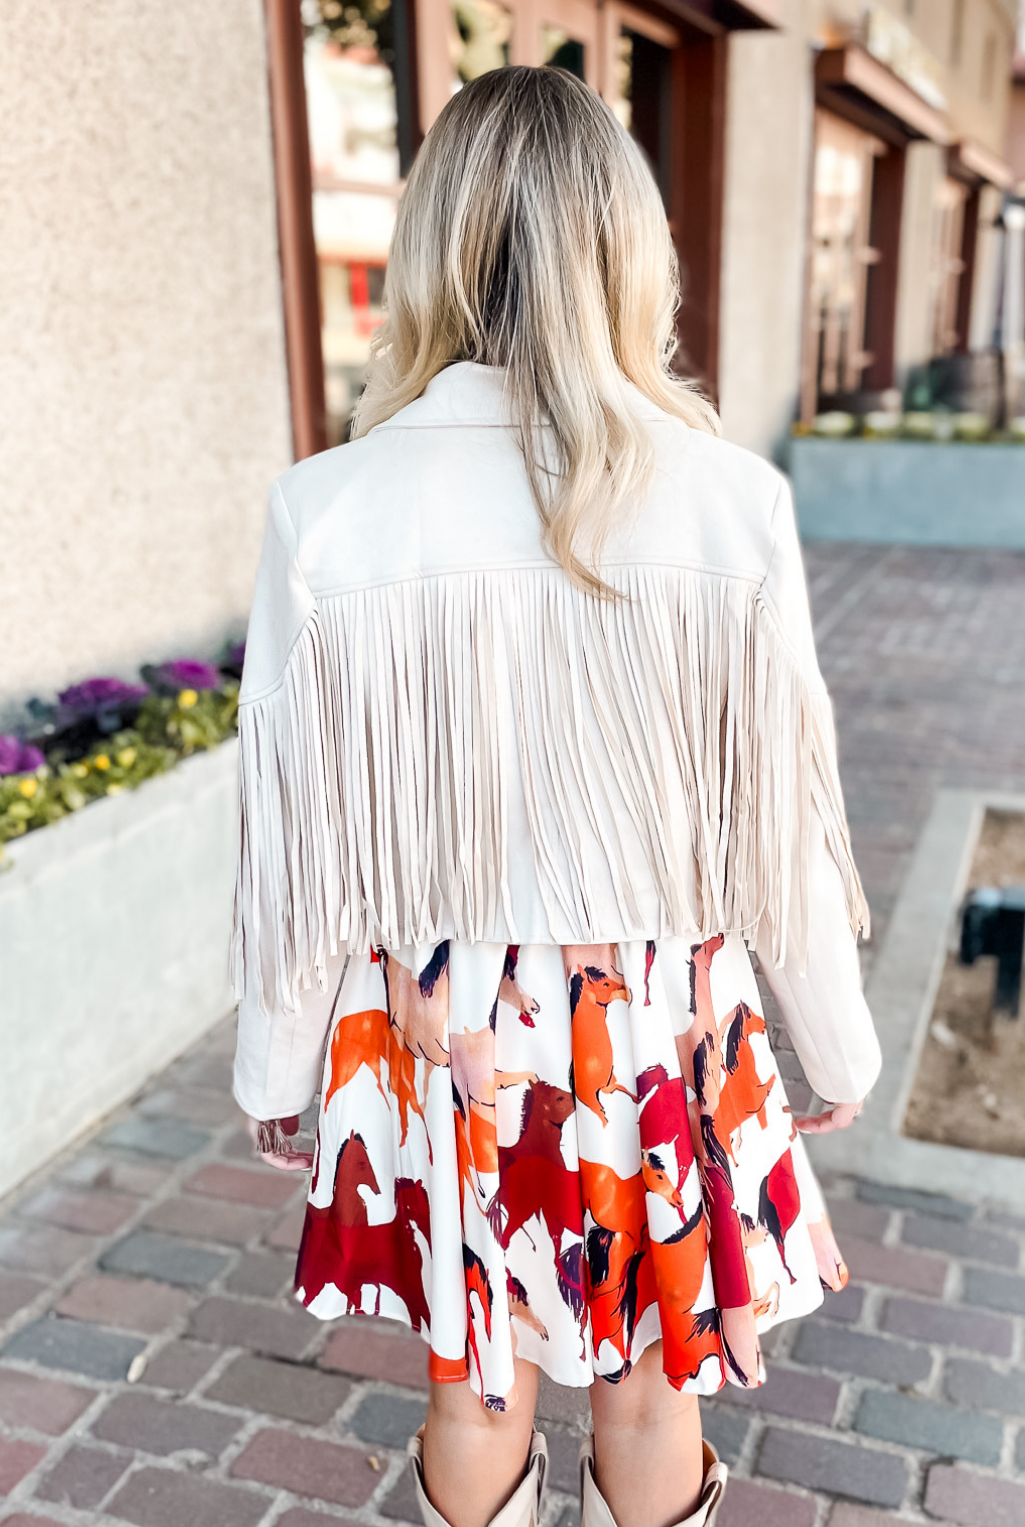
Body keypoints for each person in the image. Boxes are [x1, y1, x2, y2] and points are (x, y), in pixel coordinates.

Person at [232, 64, 881, 1527]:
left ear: (433, 252)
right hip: (661, 1012)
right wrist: (833, 1040)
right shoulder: (730, 500)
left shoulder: (326, 507)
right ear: (624, 250)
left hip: (441, 1013)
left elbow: (298, 842)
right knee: (656, 1382)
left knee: (474, 1377)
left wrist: (275, 1071)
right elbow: (778, 827)